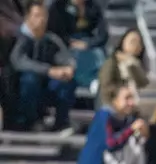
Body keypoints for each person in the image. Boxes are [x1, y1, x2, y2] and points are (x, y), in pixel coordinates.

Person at [9, 0, 76, 132]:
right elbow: (18, 61)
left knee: (66, 81)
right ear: (27, 17)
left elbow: (64, 56)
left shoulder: (50, 39)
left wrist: (68, 67)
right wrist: (48, 70)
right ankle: (30, 121)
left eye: (44, 16)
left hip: (45, 85)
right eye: (37, 15)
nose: (41, 20)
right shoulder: (17, 37)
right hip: (18, 88)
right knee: (30, 79)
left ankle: (61, 123)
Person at [101, 85, 148, 164]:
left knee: (137, 143)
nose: (131, 103)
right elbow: (110, 144)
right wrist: (130, 130)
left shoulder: (131, 117)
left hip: (126, 161)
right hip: (111, 160)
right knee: (129, 141)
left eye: (132, 98)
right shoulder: (106, 116)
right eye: (127, 98)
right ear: (115, 101)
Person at [47, 0, 107, 89]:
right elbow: (53, 32)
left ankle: (97, 81)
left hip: (88, 42)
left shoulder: (93, 6)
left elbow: (103, 35)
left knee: (99, 55)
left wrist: (88, 44)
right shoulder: (58, 6)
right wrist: (70, 42)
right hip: (64, 44)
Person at [97, 28, 148, 107]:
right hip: (112, 103)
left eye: (139, 43)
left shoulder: (137, 64)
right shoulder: (112, 61)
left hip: (132, 104)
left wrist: (133, 65)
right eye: (132, 41)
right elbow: (106, 84)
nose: (136, 45)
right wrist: (121, 93)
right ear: (123, 42)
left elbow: (143, 83)